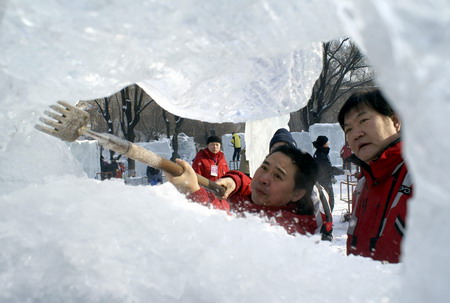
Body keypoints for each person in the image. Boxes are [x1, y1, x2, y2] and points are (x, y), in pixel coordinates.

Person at [167, 144, 320, 236]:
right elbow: (247, 183)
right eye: (264, 167)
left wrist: (194, 191)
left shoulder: (292, 230)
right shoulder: (256, 198)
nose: (263, 178)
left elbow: (229, 234)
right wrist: (235, 180)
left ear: (297, 193)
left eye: (278, 176)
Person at [338, 89, 413, 263]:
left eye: (363, 120)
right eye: (348, 129)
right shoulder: (363, 185)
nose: (356, 134)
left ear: (395, 121)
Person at [269, 128, 333, 240]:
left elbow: (323, 224)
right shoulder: (264, 183)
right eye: (275, 149)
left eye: (285, 149)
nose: (279, 153)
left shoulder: (310, 187)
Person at [312, 135, 344, 211]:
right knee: (327, 204)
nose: (328, 144)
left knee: (329, 203)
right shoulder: (319, 155)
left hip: (326, 181)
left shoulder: (322, 153)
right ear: (323, 144)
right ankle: (326, 221)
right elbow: (327, 169)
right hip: (323, 183)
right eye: (326, 143)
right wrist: (341, 171)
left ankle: (327, 220)